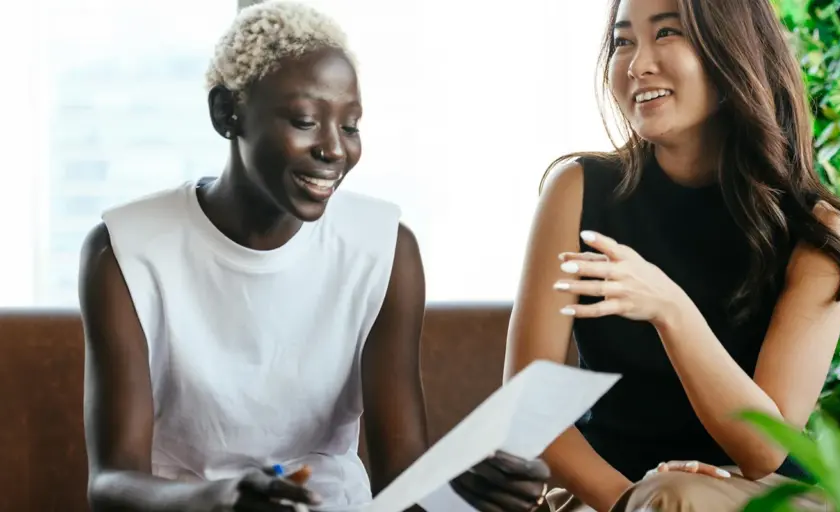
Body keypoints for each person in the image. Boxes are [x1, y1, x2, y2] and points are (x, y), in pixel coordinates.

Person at [79, 2, 549, 511]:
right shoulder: (124, 250)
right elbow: (111, 483)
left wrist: (466, 490)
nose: (334, 150)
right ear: (226, 113)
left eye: (349, 126)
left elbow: (401, 480)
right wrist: (222, 500)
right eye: (305, 120)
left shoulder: (385, 248)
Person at [503, 0, 840, 510]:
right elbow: (527, 405)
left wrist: (671, 310)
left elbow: (766, 449)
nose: (637, 63)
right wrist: (635, 500)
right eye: (623, 41)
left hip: (761, 494)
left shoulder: (817, 231)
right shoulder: (578, 190)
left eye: (667, 33)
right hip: (613, 492)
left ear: (732, 51)